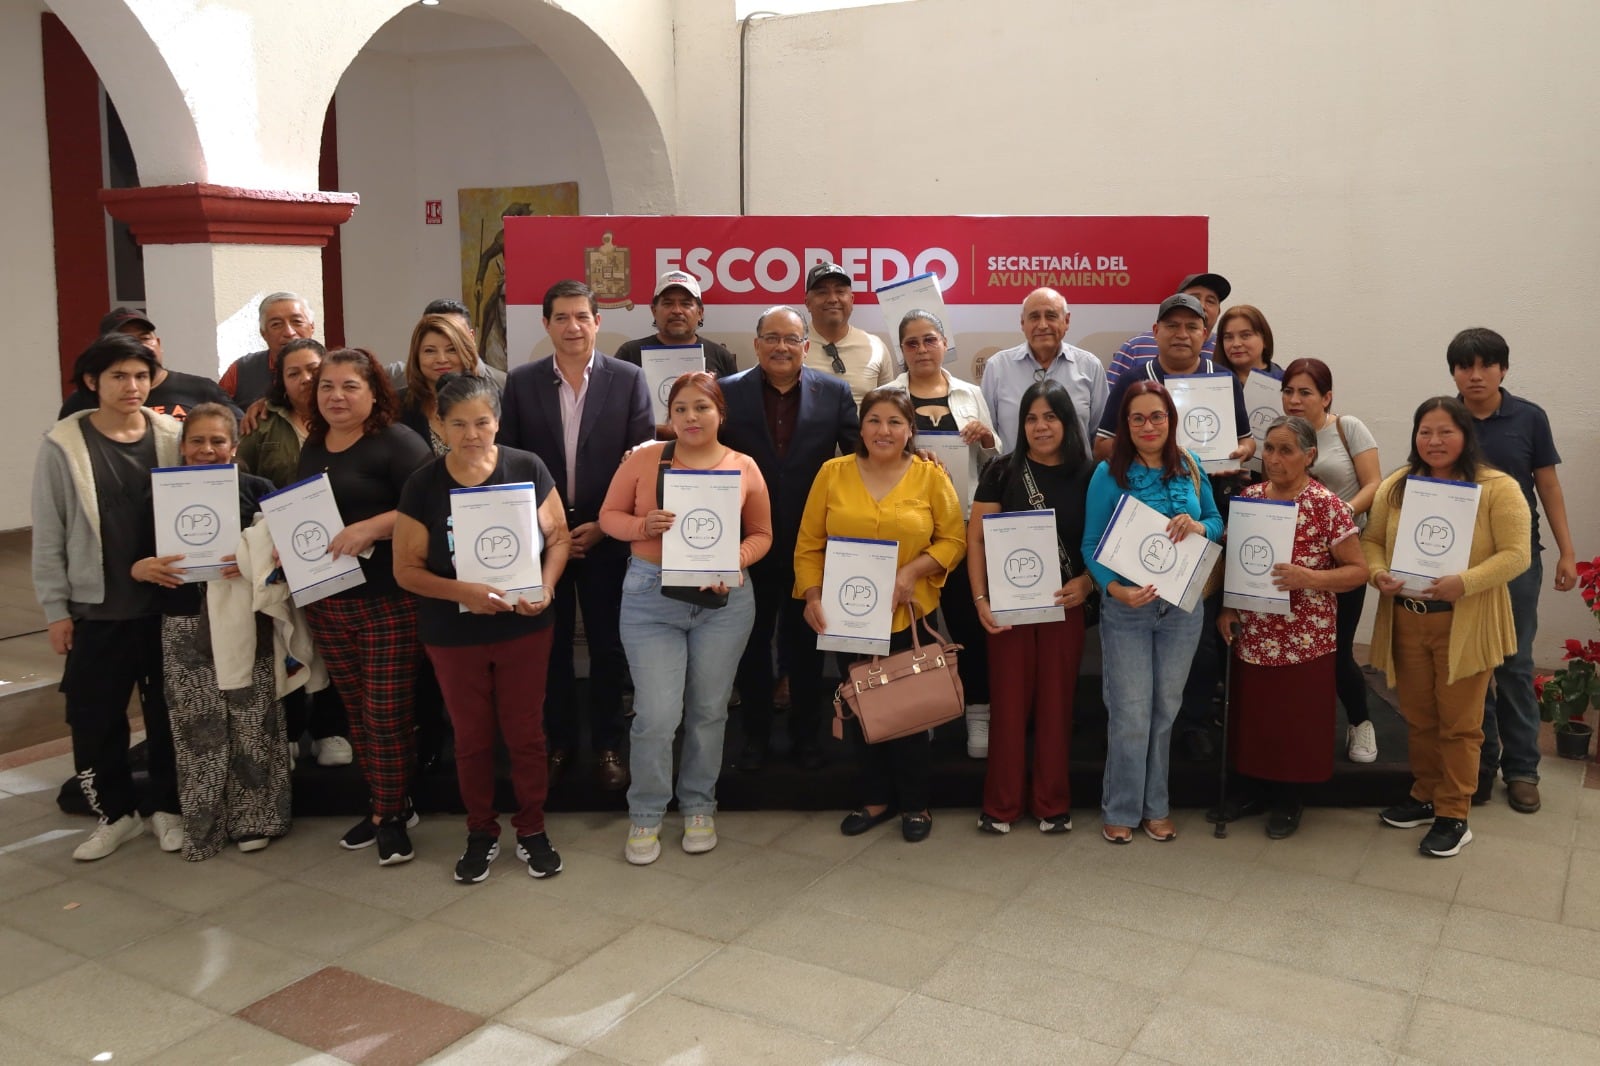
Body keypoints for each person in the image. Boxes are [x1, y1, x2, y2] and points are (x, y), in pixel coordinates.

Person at [393, 373, 570, 882]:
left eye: (482, 422)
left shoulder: (526, 467)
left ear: (498, 420)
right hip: (453, 633)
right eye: (459, 424)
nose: (472, 434)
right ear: (439, 424)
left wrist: (547, 585)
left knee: (526, 733)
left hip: (524, 625)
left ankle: (532, 827)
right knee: (470, 737)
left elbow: (557, 538)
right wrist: (463, 592)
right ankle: (481, 831)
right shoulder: (423, 483)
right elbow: (407, 570)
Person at [600, 372, 772, 864]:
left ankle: (699, 804)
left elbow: (762, 534)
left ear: (720, 413)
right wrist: (640, 525)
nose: (691, 418)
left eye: (702, 407)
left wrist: (733, 559)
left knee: (708, 710)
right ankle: (647, 812)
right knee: (655, 715)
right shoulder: (644, 459)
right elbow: (609, 516)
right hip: (651, 599)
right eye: (681, 409)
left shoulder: (743, 466)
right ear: (669, 415)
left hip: (724, 604)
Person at [32, 333, 184, 860]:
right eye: (120, 376)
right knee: (95, 719)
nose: (133, 386)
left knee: (168, 715)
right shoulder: (63, 446)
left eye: (142, 376)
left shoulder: (171, 435)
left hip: (164, 606)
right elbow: (49, 534)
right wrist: (56, 610)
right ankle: (115, 815)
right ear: (93, 382)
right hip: (97, 610)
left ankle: (169, 808)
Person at [499, 280, 653, 791]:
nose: (572, 327)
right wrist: (550, 528)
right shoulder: (520, 383)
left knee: (609, 646)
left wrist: (602, 526)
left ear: (597, 322)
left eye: (582, 316)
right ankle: (558, 743)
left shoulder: (629, 379)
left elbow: (640, 461)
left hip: (605, 533)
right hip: (542, 539)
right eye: (561, 317)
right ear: (545, 324)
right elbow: (511, 463)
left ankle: (609, 745)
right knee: (551, 644)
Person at [795, 387, 965, 843]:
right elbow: (809, 545)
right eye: (874, 420)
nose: (883, 430)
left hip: (907, 617)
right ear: (861, 427)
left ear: (910, 430)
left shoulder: (930, 476)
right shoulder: (833, 473)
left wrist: (914, 570)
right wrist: (812, 597)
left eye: (894, 421)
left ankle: (915, 803)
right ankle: (874, 798)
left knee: (909, 713)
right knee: (860, 708)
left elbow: (954, 541)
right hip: (846, 617)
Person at [1364, 397, 1529, 858]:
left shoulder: (1496, 487)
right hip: (1408, 621)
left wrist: (1466, 582)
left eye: (1445, 432)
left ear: (1465, 435)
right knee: (1419, 718)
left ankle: (1455, 813)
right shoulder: (1399, 485)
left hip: (1464, 623)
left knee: (1459, 725)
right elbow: (1372, 540)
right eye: (1425, 432)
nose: (1434, 441)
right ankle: (1424, 794)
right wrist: (1379, 574)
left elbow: (1518, 554)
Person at [131, 404, 290, 859]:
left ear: (234, 447)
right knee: (196, 725)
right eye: (197, 441)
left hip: (246, 618)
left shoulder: (259, 491)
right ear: (182, 447)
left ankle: (257, 817)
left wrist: (261, 556)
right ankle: (205, 820)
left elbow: (287, 554)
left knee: (252, 717)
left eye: (218, 441)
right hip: (182, 619)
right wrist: (142, 568)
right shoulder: (156, 493)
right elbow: (134, 559)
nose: (207, 450)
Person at [297, 347, 432, 864]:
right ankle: (388, 801)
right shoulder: (315, 444)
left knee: (385, 713)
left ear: (374, 392)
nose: (336, 396)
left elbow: (428, 502)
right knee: (356, 712)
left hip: (389, 600)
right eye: (327, 387)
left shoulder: (397, 443)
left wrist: (371, 527)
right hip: (328, 600)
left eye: (350, 386)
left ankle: (390, 817)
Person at [718, 305, 860, 771]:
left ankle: (806, 738)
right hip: (745, 541)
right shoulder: (725, 393)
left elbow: (862, 453)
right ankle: (755, 739)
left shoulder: (835, 392)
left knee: (806, 648)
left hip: (811, 543)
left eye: (791, 339)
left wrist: (921, 462)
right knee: (751, 645)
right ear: (756, 344)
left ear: (806, 346)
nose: (781, 347)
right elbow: (700, 446)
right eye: (771, 337)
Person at [1081, 381, 1222, 844]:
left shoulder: (1191, 466)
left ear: (1170, 419)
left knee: (1165, 710)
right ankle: (1120, 806)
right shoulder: (1109, 473)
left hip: (1182, 610)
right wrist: (1114, 590)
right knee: (1130, 712)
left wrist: (1198, 523)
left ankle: (1156, 806)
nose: (1148, 426)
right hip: (1129, 612)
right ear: (1125, 424)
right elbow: (1091, 544)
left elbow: (1218, 524)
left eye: (1156, 417)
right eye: (1137, 418)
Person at [1215, 416, 1368, 838]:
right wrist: (1228, 607)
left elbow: (1358, 572)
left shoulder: (1327, 506)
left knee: (1294, 720)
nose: (1274, 459)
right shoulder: (1249, 497)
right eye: (1269, 449)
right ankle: (1254, 791)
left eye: (1286, 450)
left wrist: (1311, 578)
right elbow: (1236, 560)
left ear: (1310, 456)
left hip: (1305, 634)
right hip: (1257, 631)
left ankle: (1288, 799)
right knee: (1256, 716)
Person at [1448, 328, 1578, 814]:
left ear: (1503, 369)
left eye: (1485, 365)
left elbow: (1548, 486)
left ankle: (1522, 770)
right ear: (1454, 373)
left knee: (1515, 664)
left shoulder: (1529, 418)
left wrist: (1567, 552)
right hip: (1459, 564)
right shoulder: (1445, 415)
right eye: (1464, 366)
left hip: (1518, 561)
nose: (1475, 375)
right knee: (1469, 663)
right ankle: (1477, 766)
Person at [967, 380, 1094, 834]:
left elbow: (1102, 542)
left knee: (1057, 706)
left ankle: (1051, 803)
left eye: (1051, 417)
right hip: (1010, 610)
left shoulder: (1090, 473)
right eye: (1031, 418)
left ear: (1067, 422)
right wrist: (980, 598)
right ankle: (1000, 805)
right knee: (1008, 705)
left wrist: (1087, 581)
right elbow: (977, 538)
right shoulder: (1003, 470)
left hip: (1067, 606)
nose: (1041, 426)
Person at [234, 338, 353, 770]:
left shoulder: (346, 416)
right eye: (294, 373)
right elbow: (239, 482)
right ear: (280, 382)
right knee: (282, 638)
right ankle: (285, 731)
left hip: (339, 553)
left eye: (313, 369)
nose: (306, 379)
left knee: (331, 643)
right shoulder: (262, 425)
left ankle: (330, 729)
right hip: (279, 555)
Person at [891, 308, 999, 758]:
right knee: (913, 630)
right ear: (902, 350)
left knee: (969, 628)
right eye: (912, 343)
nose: (921, 350)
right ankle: (923, 716)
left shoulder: (970, 393)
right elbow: (872, 457)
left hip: (962, 528)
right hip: (909, 531)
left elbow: (995, 465)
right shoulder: (886, 395)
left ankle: (977, 714)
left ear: (943, 343)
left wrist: (988, 439)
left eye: (929, 340)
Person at [1279, 357, 1382, 763]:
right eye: (1288, 391)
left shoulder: (1347, 428)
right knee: (1298, 650)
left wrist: (1336, 515)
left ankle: (1361, 724)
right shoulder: (1281, 433)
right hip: (1293, 561)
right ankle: (1306, 729)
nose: (1295, 399)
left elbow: (1375, 483)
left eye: (1305, 392)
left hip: (1342, 555)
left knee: (1337, 651)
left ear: (1327, 396)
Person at [979, 287, 1107, 456]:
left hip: (1075, 480)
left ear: (1066, 321)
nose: (1043, 325)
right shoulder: (997, 367)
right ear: (1022, 323)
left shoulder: (1090, 367)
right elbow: (988, 437)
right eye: (1034, 317)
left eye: (1051, 316)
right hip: (1013, 479)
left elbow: (1100, 438)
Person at [59, 309, 240, 422]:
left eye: (145, 338)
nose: (139, 346)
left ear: (158, 343)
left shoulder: (201, 388)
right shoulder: (83, 399)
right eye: (127, 339)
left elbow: (241, 432)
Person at [1106, 272, 1229, 388]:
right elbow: (1110, 397)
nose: (1202, 305)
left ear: (1218, 311)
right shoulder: (1135, 348)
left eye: (1210, 301)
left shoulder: (1227, 349)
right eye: (1194, 298)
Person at [613, 269, 739, 378]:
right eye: (668, 303)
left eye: (686, 304)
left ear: (700, 312)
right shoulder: (629, 354)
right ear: (654, 311)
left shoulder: (721, 357)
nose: (677, 311)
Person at [803, 261, 896, 407]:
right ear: (807, 302)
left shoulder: (876, 347)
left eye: (840, 292)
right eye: (822, 292)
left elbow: (890, 407)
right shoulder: (791, 346)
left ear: (851, 300)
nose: (833, 299)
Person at [397, 313, 490, 455]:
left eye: (451, 349)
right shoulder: (397, 404)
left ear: (466, 352)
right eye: (430, 351)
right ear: (416, 357)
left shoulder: (491, 398)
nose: (441, 359)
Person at [220, 292, 318, 407]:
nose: (289, 332)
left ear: (312, 327)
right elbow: (216, 415)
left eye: (297, 322)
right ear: (263, 333)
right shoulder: (242, 370)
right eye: (276, 324)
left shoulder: (331, 367)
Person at [1216, 305, 1284, 385]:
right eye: (1229, 337)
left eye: (1245, 335)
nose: (1236, 344)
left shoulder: (1285, 382)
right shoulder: (1212, 380)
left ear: (1265, 340)